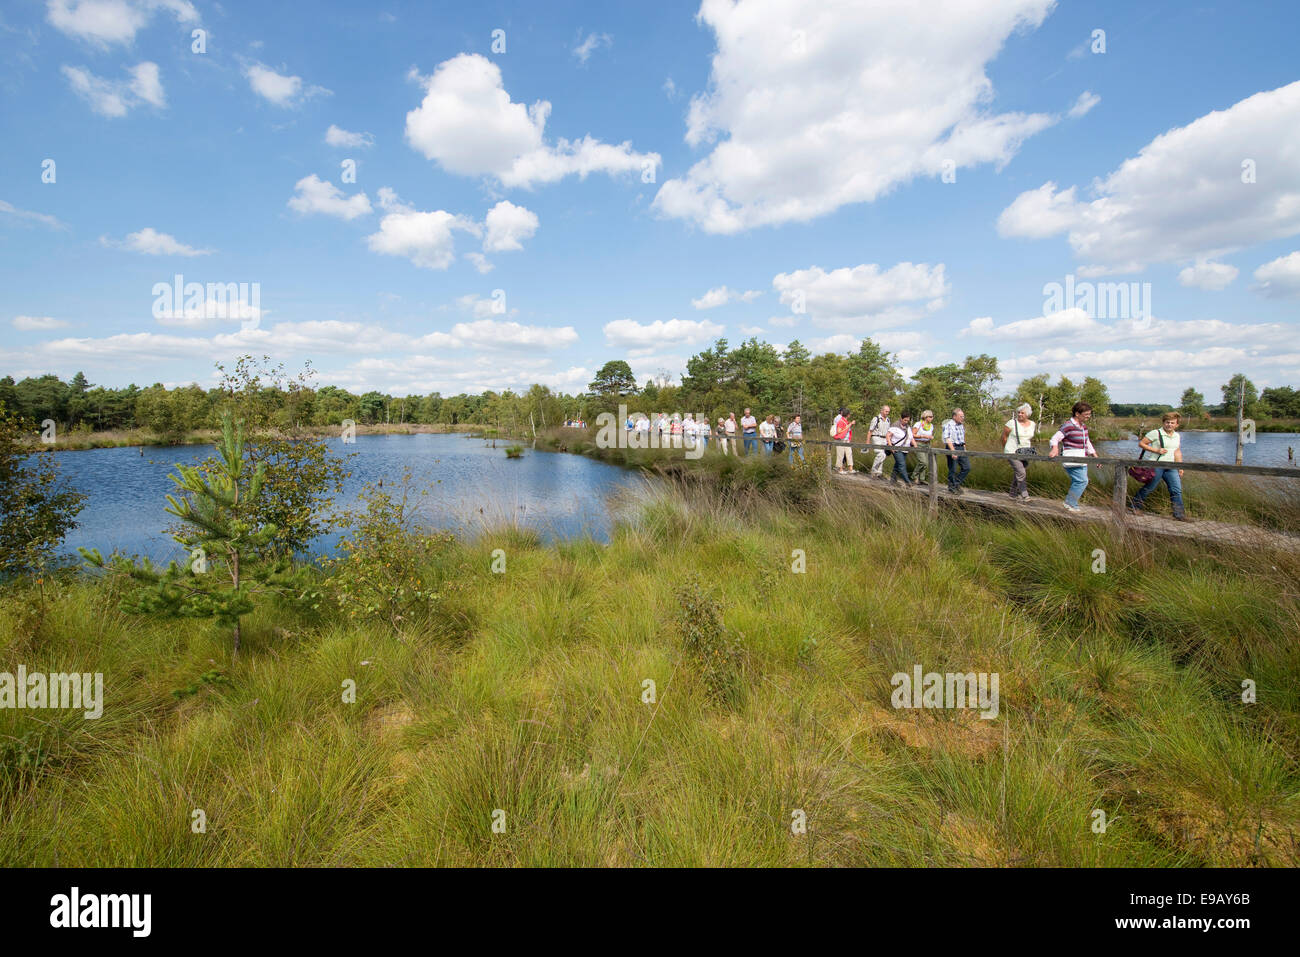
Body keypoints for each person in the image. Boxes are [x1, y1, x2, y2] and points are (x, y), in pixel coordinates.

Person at [1131, 411, 1187, 520]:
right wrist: (1156, 450)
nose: (1169, 425)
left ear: (1177, 425)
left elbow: (1177, 451)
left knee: (1176, 490)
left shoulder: (1177, 436)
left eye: (1172, 423)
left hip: (1171, 467)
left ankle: (1179, 514)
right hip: (1156, 465)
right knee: (1150, 487)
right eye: (1167, 422)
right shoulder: (1156, 433)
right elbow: (1141, 443)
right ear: (1163, 423)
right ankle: (1135, 506)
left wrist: (1180, 466)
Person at [1048, 401, 1098, 512]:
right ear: (1077, 414)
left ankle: (1071, 503)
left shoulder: (1083, 427)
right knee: (1082, 481)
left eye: (1089, 414)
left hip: (1082, 458)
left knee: (1079, 481)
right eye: (1086, 414)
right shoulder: (1068, 426)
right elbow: (1054, 438)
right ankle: (1070, 503)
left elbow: (1087, 442)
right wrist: (1055, 448)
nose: (1088, 417)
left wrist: (1095, 456)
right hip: (1072, 457)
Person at [1000, 403, 1036, 502]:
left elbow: (1028, 438)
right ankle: (1025, 495)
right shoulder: (1011, 423)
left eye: (1022, 413)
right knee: (1021, 472)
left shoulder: (1032, 424)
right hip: (1012, 451)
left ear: (1027, 414)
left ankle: (1012, 494)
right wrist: (1006, 450)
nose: (1019, 414)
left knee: (1019, 473)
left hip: (1025, 452)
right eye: (1018, 412)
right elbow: (1003, 437)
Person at [943, 408, 970, 495]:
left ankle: (955, 484)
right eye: (961, 416)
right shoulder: (948, 425)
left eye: (963, 416)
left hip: (961, 447)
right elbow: (947, 439)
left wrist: (964, 449)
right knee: (953, 469)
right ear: (954, 416)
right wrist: (953, 451)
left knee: (967, 467)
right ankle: (952, 487)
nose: (963, 418)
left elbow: (962, 438)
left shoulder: (961, 425)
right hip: (952, 447)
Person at [886, 413, 915, 485]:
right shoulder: (895, 425)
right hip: (896, 449)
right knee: (902, 465)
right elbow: (888, 436)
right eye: (905, 420)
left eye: (908, 420)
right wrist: (890, 447)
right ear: (901, 419)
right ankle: (908, 482)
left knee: (897, 465)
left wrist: (915, 446)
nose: (906, 422)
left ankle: (892, 480)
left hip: (905, 449)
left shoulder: (908, 427)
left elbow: (911, 438)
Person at [868, 405, 891, 479]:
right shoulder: (876, 419)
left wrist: (888, 441)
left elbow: (888, 432)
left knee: (883, 455)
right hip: (876, 437)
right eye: (886, 411)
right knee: (881, 454)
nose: (887, 413)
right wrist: (867, 441)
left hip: (884, 439)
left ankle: (879, 473)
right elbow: (870, 431)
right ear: (882, 410)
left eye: (888, 411)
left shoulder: (888, 420)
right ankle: (874, 471)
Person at [912, 410, 935, 484]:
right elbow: (912, 435)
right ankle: (914, 476)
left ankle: (922, 479)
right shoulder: (918, 424)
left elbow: (929, 434)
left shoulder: (931, 426)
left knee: (926, 463)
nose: (932, 418)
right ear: (926, 417)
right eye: (930, 416)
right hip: (919, 443)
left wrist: (930, 437)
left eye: (932, 417)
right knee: (922, 462)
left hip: (927, 444)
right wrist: (923, 436)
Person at [832, 408, 855, 473]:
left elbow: (847, 430)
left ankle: (850, 469)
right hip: (840, 440)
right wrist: (850, 424)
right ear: (848, 415)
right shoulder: (841, 421)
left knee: (849, 454)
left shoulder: (846, 421)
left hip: (846, 440)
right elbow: (839, 431)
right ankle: (840, 469)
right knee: (840, 455)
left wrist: (850, 425)